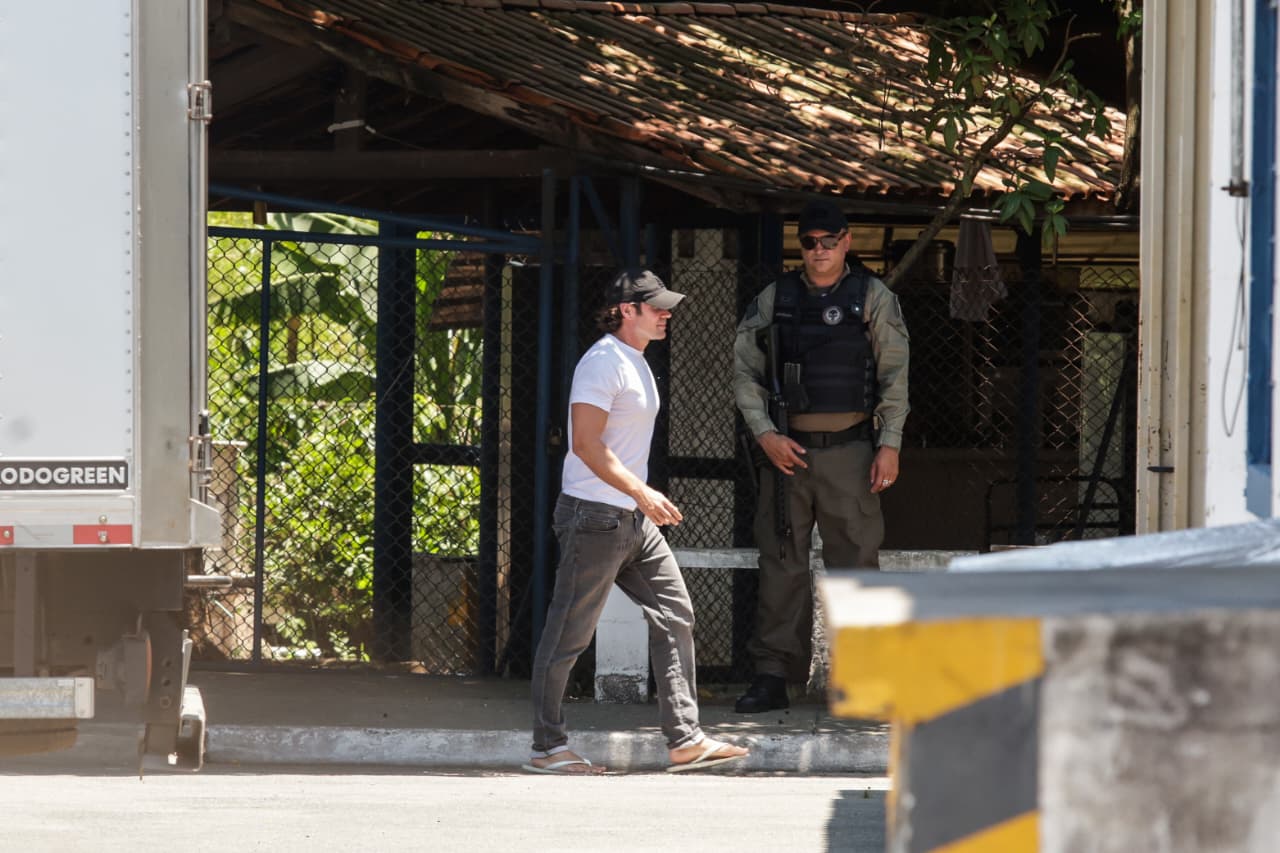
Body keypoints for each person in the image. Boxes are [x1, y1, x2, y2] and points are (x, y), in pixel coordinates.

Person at [525, 269, 750, 774]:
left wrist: (638, 501)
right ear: (627, 310)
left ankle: (685, 740)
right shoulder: (602, 363)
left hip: (631, 521)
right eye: (656, 307)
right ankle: (547, 747)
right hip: (594, 518)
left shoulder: (637, 361)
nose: (666, 314)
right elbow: (586, 444)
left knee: (675, 614)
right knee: (569, 634)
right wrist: (642, 492)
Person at [732, 201, 910, 714]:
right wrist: (765, 433)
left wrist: (890, 443)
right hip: (786, 454)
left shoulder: (873, 297)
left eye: (828, 241)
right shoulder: (777, 297)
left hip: (850, 452)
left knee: (855, 565)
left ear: (846, 241)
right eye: (809, 241)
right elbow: (745, 371)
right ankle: (772, 675)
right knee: (780, 564)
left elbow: (895, 374)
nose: (819, 250)